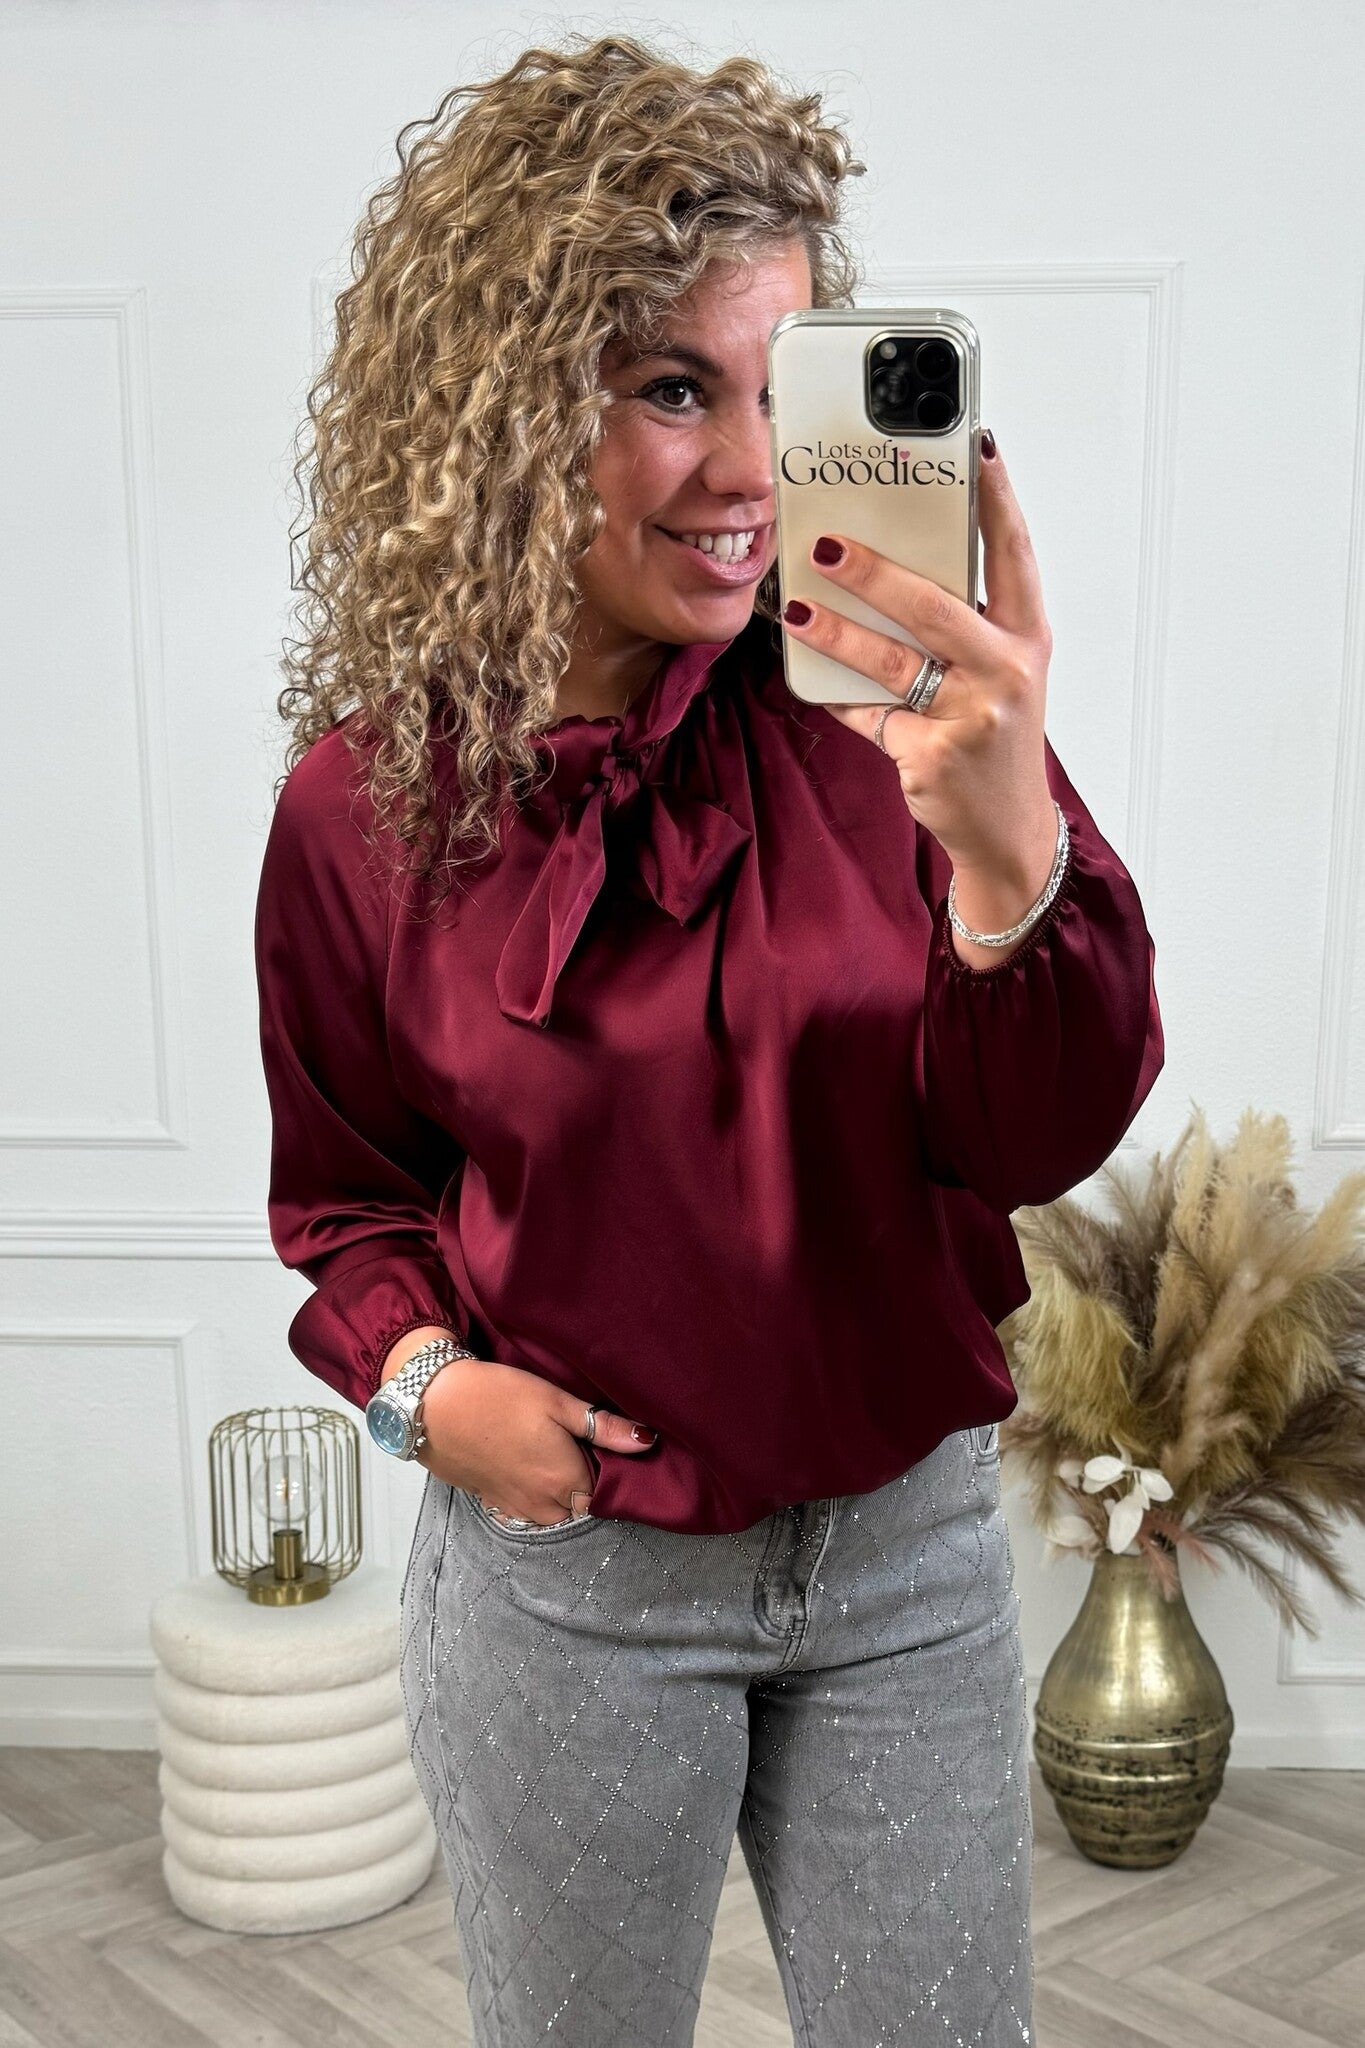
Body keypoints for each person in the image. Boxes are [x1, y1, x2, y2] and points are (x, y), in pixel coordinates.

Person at [254, 33, 1163, 2048]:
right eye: (672, 388)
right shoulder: (363, 811)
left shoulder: (902, 725)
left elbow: (1030, 1138)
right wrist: (424, 1395)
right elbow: (344, 1197)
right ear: (504, 410)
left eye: (781, 389)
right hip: (574, 1585)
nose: (751, 472)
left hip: (906, 1565)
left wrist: (1007, 847)